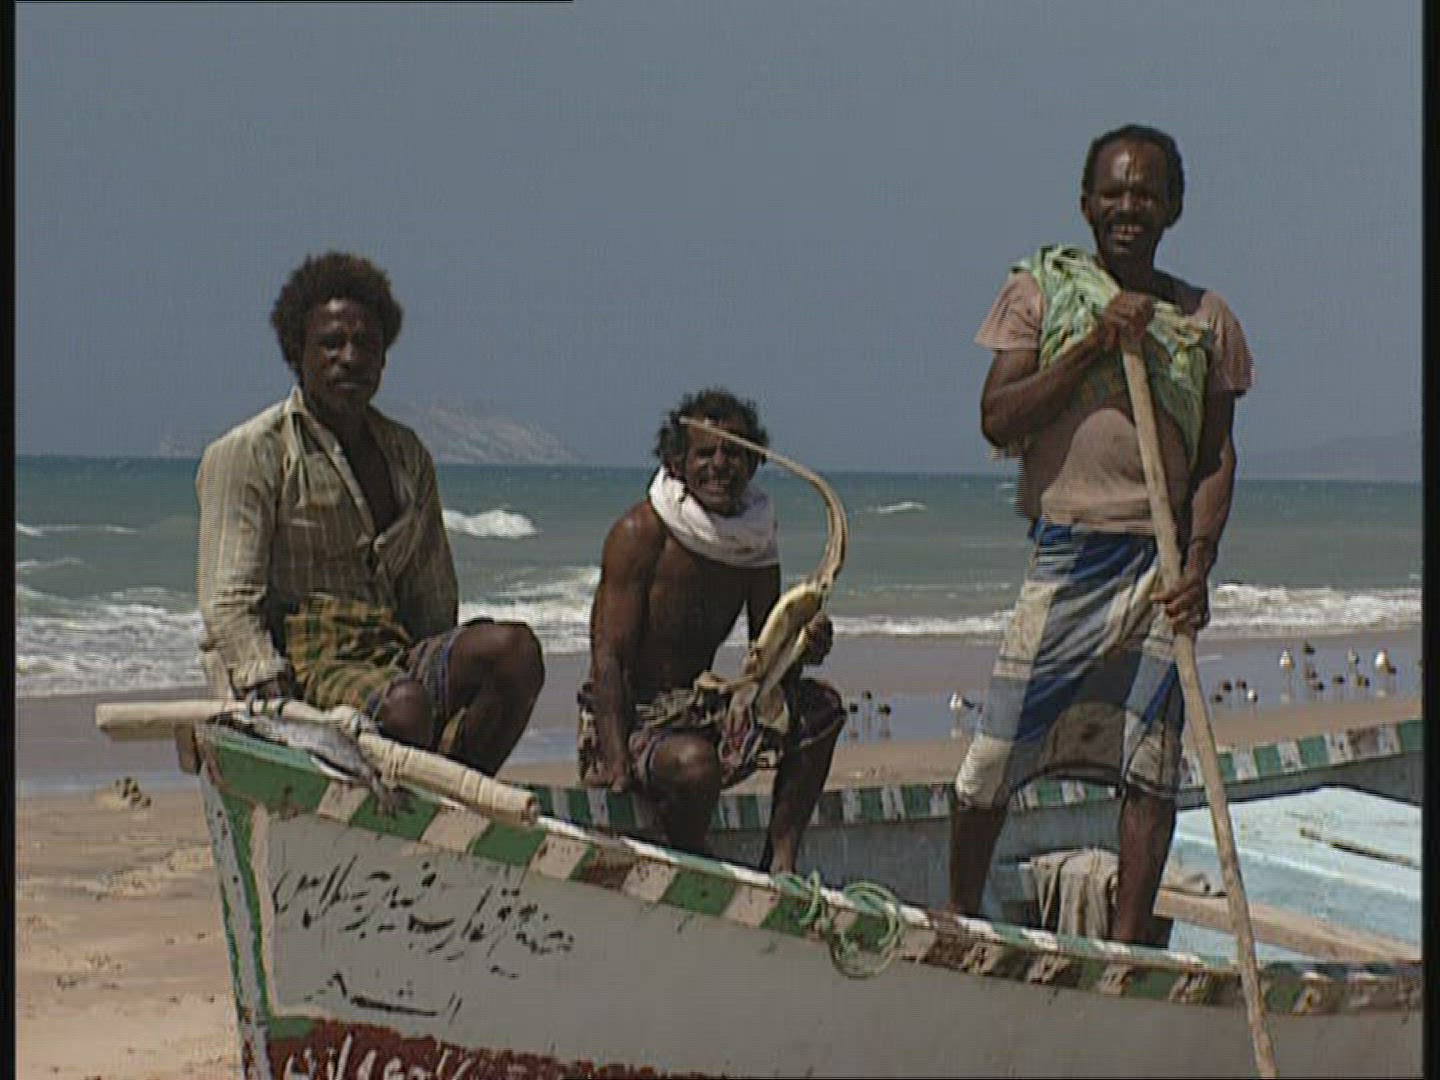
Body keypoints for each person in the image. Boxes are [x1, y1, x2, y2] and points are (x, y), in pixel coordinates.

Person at [948, 125, 1254, 943]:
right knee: (991, 761)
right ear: (1085, 205)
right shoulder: (1041, 292)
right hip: (1069, 552)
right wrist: (1094, 343)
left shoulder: (1205, 321)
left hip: (1161, 566)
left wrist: (1199, 562)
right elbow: (997, 417)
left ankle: (1124, 947)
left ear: (1173, 208)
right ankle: (960, 919)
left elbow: (1216, 456)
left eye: (1145, 194)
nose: (1128, 207)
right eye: (1113, 193)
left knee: (1151, 769)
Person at [196, 251, 544, 774]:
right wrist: (262, 679)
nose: (349, 358)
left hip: (391, 651)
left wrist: (445, 675)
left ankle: (451, 786)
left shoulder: (405, 454)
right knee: (405, 706)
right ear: (297, 353)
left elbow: (430, 594)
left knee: (515, 651)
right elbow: (227, 597)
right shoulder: (252, 451)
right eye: (331, 343)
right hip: (306, 660)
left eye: (365, 345)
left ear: (383, 358)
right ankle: (420, 779)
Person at [578, 388, 845, 873]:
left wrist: (804, 647)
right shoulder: (641, 533)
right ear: (677, 463)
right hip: (631, 720)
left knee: (822, 708)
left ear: (754, 463)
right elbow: (608, 657)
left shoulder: (754, 543)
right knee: (696, 764)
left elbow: (767, 662)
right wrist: (616, 762)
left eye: (735, 453)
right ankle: (694, 859)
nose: (720, 465)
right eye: (705, 453)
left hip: (698, 712)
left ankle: (780, 863)